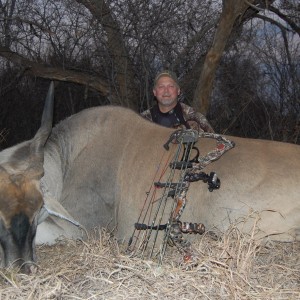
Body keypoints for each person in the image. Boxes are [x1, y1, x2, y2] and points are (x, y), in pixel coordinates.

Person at [141, 70, 214, 133]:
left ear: (178, 91)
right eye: (161, 87)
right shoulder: (142, 120)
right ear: (154, 92)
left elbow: (215, 145)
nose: (166, 91)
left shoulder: (196, 118)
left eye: (171, 86)